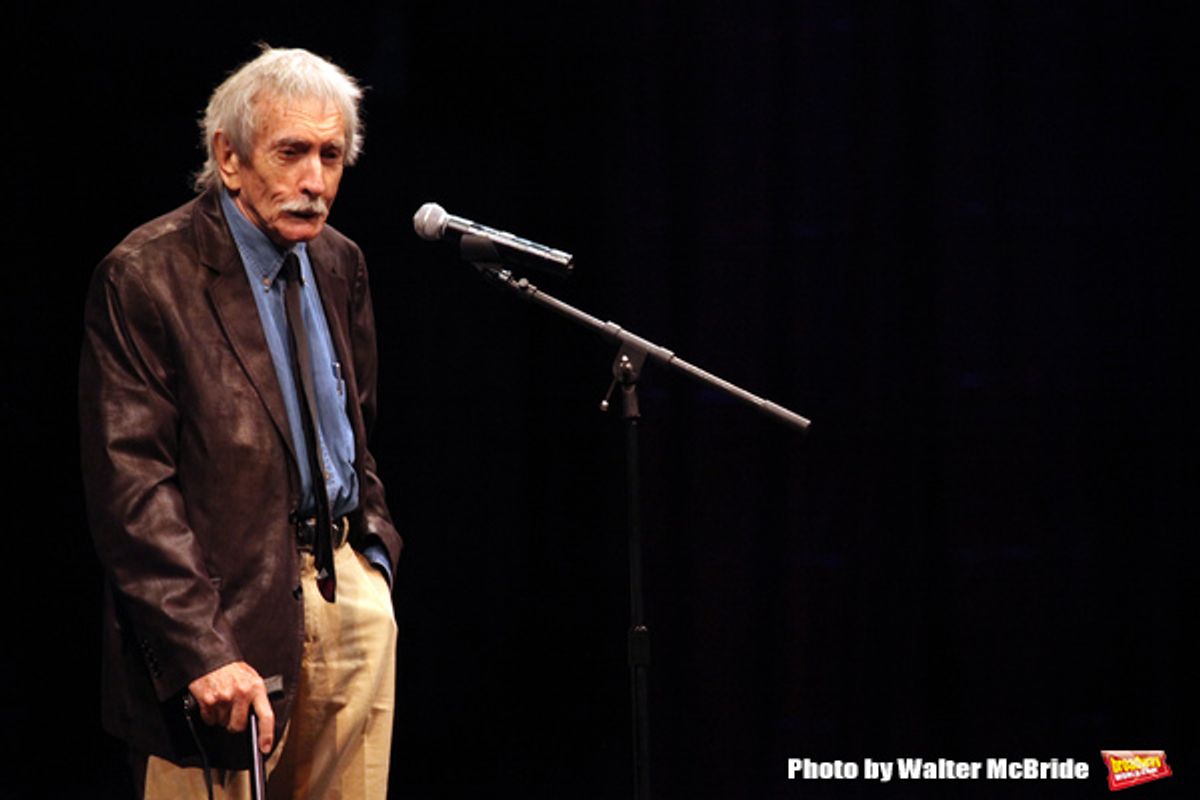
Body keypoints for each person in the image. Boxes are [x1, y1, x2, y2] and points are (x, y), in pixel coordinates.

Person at [79, 45, 401, 799]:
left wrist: (373, 566)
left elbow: (355, 432)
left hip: (347, 598)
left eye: (331, 154)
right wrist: (199, 647)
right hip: (223, 612)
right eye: (291, 153)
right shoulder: (147, 275)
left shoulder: (340, 262)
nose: (315, 181)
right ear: (228, 157)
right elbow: (132, 491)